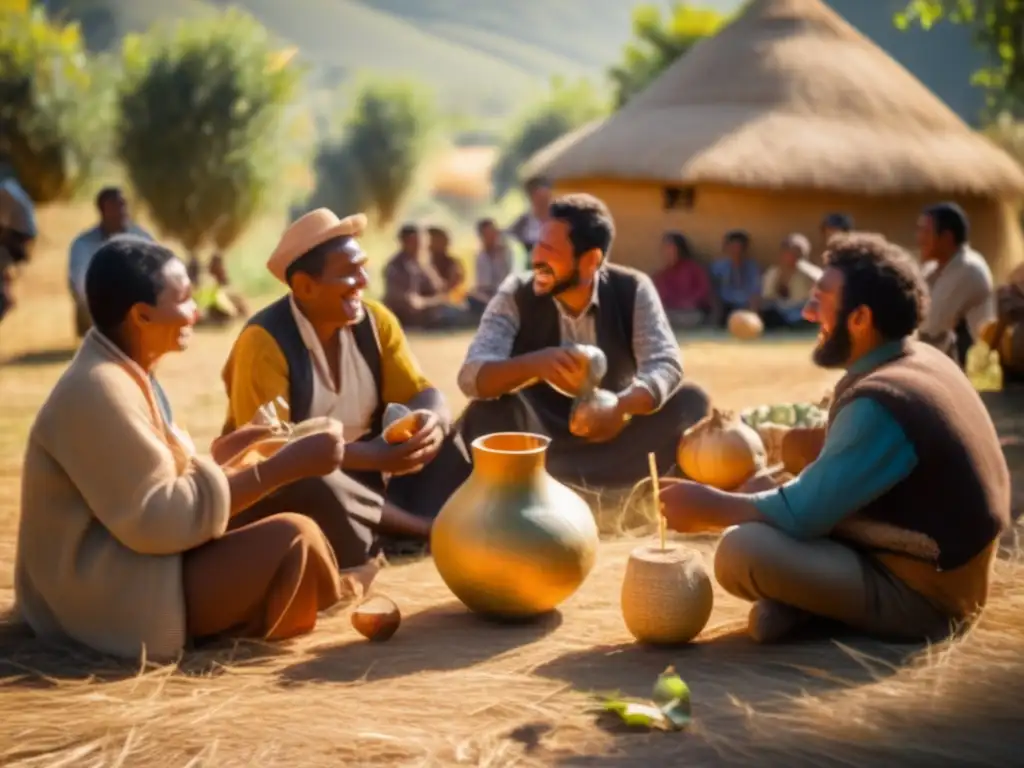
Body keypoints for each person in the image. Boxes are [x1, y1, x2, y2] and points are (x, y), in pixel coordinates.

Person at [14, 236, 364, 661]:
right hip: (102, 598)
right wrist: (281, 468)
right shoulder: (96, 389)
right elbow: (160, 519)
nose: (196, 310)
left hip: (143, 558)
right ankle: (334, 593)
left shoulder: (126, 371)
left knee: (283, 522)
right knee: (294, 536)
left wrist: (238, 446)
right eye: (182, 299)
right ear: (141, 315)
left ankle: (319, 595)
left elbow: (159, 480)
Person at [660, 233, 1010, 645]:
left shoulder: (880, 404)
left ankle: (817, 608)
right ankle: (807, 606)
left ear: (860, 319)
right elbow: (833, 469)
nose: (808, 313)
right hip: (948, 572)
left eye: (820, 299)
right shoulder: (921, 358)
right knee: (766, 492)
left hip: (927, 596)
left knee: (742, 551)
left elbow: (803, 515)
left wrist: (710, 506)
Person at [220, 209, 472, 557]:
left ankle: (398, 526)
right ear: (305, 287)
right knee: (313, 476)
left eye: (362, 268)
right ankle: (424, 528)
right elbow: (268, 449)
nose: (364, 281)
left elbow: (424, 394)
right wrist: (372, 457)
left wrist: (430, 422)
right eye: (348, 273)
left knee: (458, 439)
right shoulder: (262, 343)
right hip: (304, 482)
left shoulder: (376, 322)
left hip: (376, 473)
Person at [456, 193, 710, 489]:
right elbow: (472, 376)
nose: (537, 257)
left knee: (690, 402)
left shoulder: (632, 288)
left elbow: (664, 362)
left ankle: (592, 488)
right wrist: (535, 365)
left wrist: (621, 406)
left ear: (590, 261)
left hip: (616, 438)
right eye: (538, 244)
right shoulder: (517, 292)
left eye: (549, 249)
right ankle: (565, 486)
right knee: (485, 414)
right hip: (540, 440)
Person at [915, 202, 995, 367]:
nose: (919, 239)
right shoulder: (933, 268)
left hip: (969, 367)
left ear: (946, 238)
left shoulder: (968, 269)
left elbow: (930, 324)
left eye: (926, 232)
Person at [67, 187, 152, 338]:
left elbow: (155, 270)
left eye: (123, 204)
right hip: (100, 302)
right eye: (115, 206)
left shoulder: (141, 238)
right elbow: (80, 282)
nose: (122, 210)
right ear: (102, 211)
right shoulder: (84, 244)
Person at [382, 223, 466, 329]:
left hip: (427, 307)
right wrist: (433, 301)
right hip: (408, 312)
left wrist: (452, 282)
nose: (420, 245)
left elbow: (438, 288)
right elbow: (407, 300)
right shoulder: (395, 266)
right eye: (415, 241)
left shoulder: (423, 264)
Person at [759, 233, 821, 329]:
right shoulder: (773, 273)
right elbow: (767, 296)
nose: (792, 255)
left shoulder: (812, 274)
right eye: (788, 250)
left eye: (796, 252)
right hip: (780, 310)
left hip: (803, 311)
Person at [652, 231, 712, 329]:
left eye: (671, 249)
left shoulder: (694, 268)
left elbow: (703, 291)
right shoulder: (662, 274)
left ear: (680, 250)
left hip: (692, 312)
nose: (668, 253)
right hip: (672, 312)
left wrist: (689, 302)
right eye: (666, 249)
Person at [0, 178, 37, 325]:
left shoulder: (4, 193)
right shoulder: (8, 187)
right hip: (23, 233)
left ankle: (4, 298)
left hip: (19, 235)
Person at [709, 229, 761, 325]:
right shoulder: (718, 267)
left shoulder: (752, 267)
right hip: (726, 305)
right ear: (726, 248)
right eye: (732, 247)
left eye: (739, 248)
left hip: (745, 305)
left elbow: (755, 290)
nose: (736, 251)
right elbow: (713, 289)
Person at [468, 217, 512, 314]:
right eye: (487, 234)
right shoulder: (481, 257)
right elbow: (483, 285)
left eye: (493, 233)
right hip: (487, 294)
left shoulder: (505, 253)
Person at [507, 176, 552, 268]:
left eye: (546, 198)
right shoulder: (521, 226)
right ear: (532, 198)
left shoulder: (563, 220)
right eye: (540, 198)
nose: (544, 202)